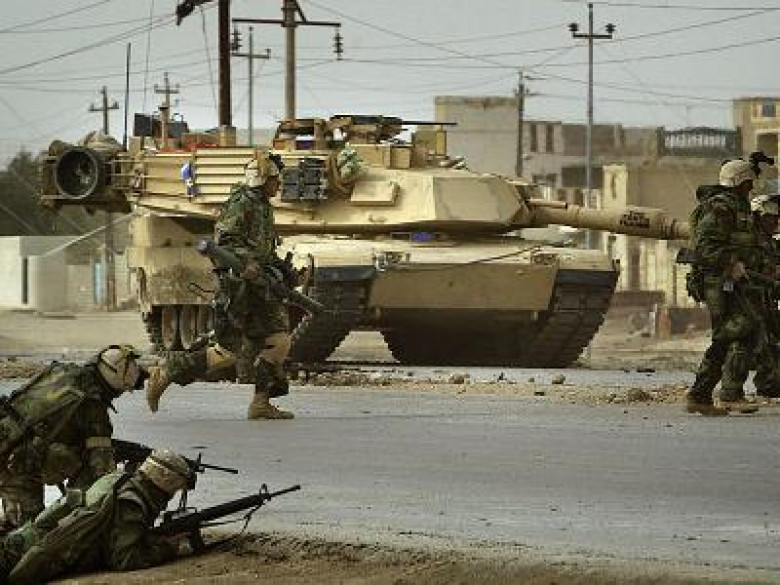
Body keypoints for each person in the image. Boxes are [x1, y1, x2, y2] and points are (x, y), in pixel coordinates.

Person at [146, 152, 295, 420]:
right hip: (238, 288)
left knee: (279, 341)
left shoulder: (263, 206)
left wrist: (284, 271)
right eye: (275, 179)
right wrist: (246, 262)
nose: (279, 184)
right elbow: (225, 242)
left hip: (259, 287)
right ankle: (168, 371)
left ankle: (261, 403)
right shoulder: (241, 203)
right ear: (262, 180)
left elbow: (262, 248)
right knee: (226, 353)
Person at [0, 345, 147, 528]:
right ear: (116, 378)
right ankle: (75, 516)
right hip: (18, 465)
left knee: (14, 526)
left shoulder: (63, 371)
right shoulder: (93, 405)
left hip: (9, 441)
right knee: (26, 535)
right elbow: (101, 468)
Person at [0, 448, 192, 584]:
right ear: (165, 481)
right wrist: (167, 548)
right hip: (32, 557)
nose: (171, 496)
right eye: (174, 489)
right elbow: (124, 559)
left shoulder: (117, 479)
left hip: (26, 539)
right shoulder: (131, 502)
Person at [685, 159, 769, 415]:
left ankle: (703, 395)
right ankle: (722, 394)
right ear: (739, 182)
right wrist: (731, 262)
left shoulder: (738, 207)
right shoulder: (720, 207)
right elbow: (706, 248)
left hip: (735, 282)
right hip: (719, 283)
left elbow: (748, 243)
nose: (751, 188)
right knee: (737, 331)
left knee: (733, 334)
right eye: (748, 183)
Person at [749, 193, 780, 399]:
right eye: (771, 217)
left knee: (770, 341)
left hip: (768, 299)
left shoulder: (770, 242)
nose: (776, 221)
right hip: (751, 300)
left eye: (777, 217)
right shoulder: (750, 242)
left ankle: (771, 383)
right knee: (759, 342)